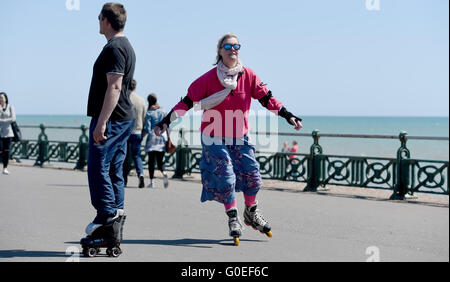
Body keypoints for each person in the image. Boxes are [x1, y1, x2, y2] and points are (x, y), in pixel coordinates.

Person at [154, 33, 302, 245]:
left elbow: (267, 98)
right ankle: (233, 218)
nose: (233, 49)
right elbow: (186, 103)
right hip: (213, 136)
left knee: (253, 176)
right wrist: (166, 121)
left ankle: (251, 212)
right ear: (220, 51)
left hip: (240, 136)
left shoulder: (247, 75)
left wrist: (288, 115)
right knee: (226, 177)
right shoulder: (207, 79)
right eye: (228, 46)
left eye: (237, 46)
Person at [83, 2, 136, 253]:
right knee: (114, 169)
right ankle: (117, 217)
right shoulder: (126, 46)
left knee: (97, 166)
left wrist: (102, 121)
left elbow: (114, 87)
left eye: (98, 17)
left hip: (113, 119)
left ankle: (106, 216)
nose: (97, 21)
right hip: (124, 118)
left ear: (105, 19)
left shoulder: (115, 47)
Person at [123, 79, 146, 188]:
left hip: (126, 132)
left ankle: (124, 179)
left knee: (125, 156)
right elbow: (144, 117)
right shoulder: (141, 100)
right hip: (138, 131)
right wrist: (143, 132)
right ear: (135, 87)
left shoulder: (125, 98)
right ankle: (140, 174)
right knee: (137, 156)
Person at [143, 93, 169, 189]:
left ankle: (152, 182)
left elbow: (147, 128)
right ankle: (164, 172)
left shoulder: (149, 112)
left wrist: (142, 136)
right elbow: (167, 124)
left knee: (151, 161)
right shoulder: (162, 111)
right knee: (160, 160)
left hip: (152, 139)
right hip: (162, 138)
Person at [0, 92, 15, 175]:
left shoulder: (10, 107)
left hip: (9, 132)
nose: (1, 99)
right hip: (0, 133)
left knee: (7, 151)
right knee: (1, 150)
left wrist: (2, 121)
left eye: (2, 97)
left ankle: (5, 168)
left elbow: (13, 118)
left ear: (5, 98)